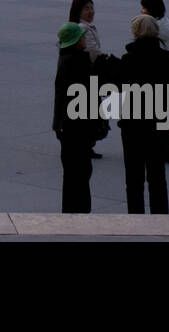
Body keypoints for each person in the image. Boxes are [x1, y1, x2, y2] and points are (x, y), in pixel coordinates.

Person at [53, 21, 119, 213]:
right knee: (81, 171)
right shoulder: (79, 62)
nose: (85, 40)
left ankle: (70, 209)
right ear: (76, 40)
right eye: (82, 37)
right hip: (78, 126)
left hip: (66, 125)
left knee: (71, 171)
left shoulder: (65, 58)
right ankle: (81, 210)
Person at [118, 14, 169, 214]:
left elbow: (120, 86)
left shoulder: (128, 59)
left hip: (132, 124)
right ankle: (161, 219)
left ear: (135, 33)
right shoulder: (168, 59)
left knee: (133, 179)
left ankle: (135, 219)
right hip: (158, 122)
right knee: (157, 177)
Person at [140, 0, 169, 164]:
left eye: (143, 8)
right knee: (166, 112)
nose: (141, 11)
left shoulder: (155, 28)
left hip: (156, 74)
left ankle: (160, 147)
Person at [68, 0, 106, 158]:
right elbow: (92, 53)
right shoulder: (83, 29)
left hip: (85, 75)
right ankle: (86, 144)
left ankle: (85, 144)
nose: (91, 12)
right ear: (78, 11)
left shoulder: (82, 27)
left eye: (92, 8)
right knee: (88, 111)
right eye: (86, 8)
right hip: (87, 75)